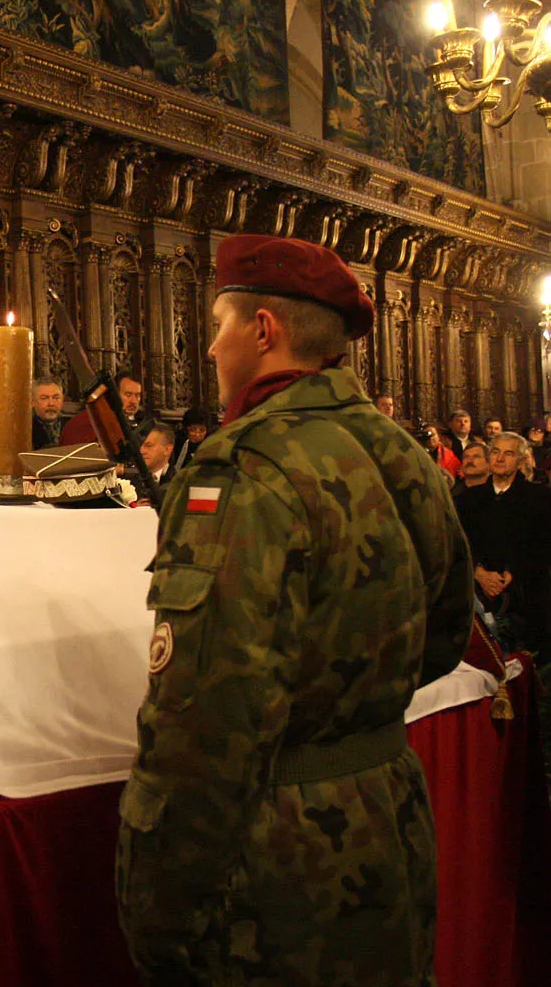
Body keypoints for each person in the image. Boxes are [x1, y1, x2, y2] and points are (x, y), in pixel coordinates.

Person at [118, 234, 473, 987]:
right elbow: (446, 635)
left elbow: (209, 716)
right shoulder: (400, 449)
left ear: (263, 330)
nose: (211, 348)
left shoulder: (245, 466)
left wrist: (157, 905)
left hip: (277, 856)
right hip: (389, 813)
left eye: (219, 326)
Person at [455, 432, 551, 654]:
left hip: (527, 594)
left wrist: (513, 571)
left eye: (508, 454)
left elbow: (543, 543)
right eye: (495, 452)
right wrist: (478, 572)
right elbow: (459, 542)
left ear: (520, 460)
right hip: (477, 592)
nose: (499, 459)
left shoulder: (540, 497)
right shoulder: (468, 499)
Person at [136, 422, 177, 487]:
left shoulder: (179, 484)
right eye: (140, 445)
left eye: (149, 446)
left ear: (167, 449)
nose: (141, 451)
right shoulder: (127, 478)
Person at [31, 379, 65, 448]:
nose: (51, 403)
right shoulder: (26, 429)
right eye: (44, 398)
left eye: (56, 398)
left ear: (62, 399)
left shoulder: (72, 425)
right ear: (32, 402)